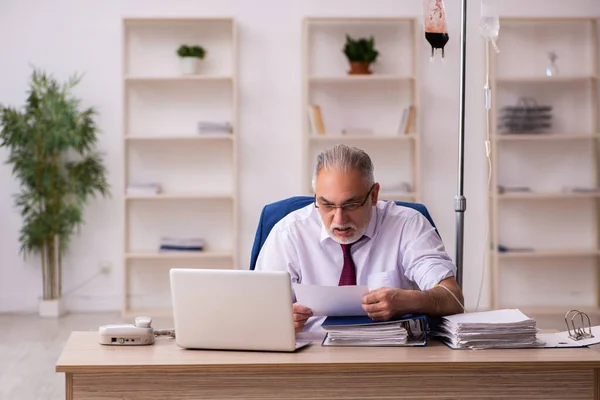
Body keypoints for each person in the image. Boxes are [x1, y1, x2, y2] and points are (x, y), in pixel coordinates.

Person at [255, 144, 464, 332]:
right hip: (310, 355)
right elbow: (256, 314)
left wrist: (409, 300)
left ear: (373, 195)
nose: (338, 219)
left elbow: (453, 298)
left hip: (390, 356)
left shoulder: (407, 225)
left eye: (351, 205)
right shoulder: (289, 232)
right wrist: (278, 321)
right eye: (326, 204)